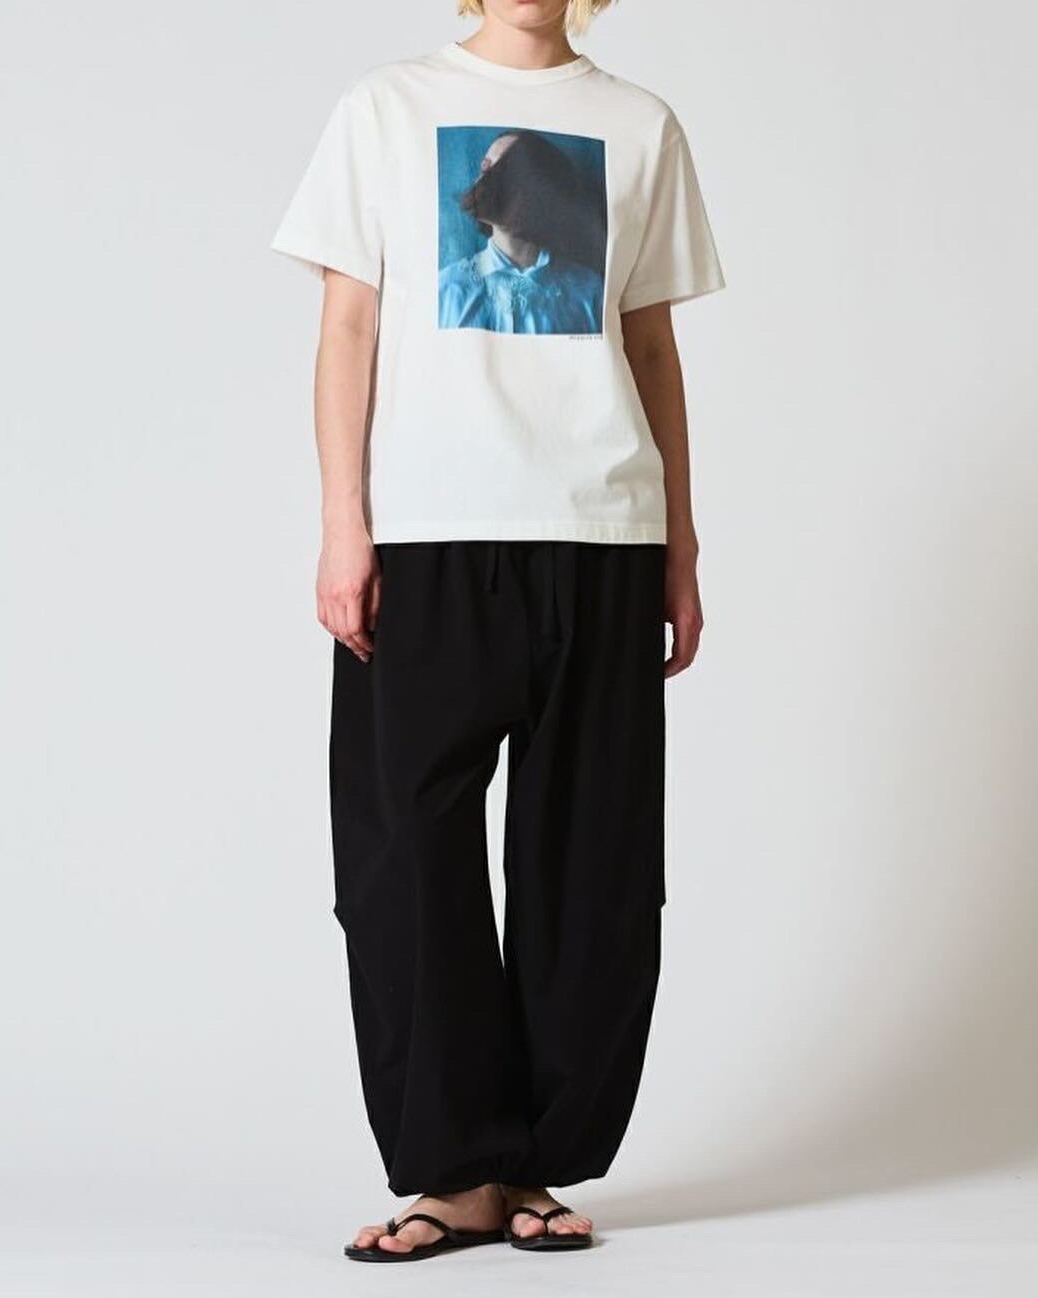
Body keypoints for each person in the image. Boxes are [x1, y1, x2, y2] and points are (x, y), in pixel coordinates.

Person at [270, 0, 725, 1263]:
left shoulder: (638, 124)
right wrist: (344, 521)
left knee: (594, 859)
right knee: (404, 852)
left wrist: (680, 542)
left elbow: (651, 344)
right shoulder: (386, 107)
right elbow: (347, 324)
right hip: (428, 528)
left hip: (602, 525)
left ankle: (532, 1163)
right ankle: (452, 1167)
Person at [438, 128, 605, 333]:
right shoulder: (446, 289)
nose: (486, 181)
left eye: (505, 171)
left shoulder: (588, 292)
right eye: (485, 170)